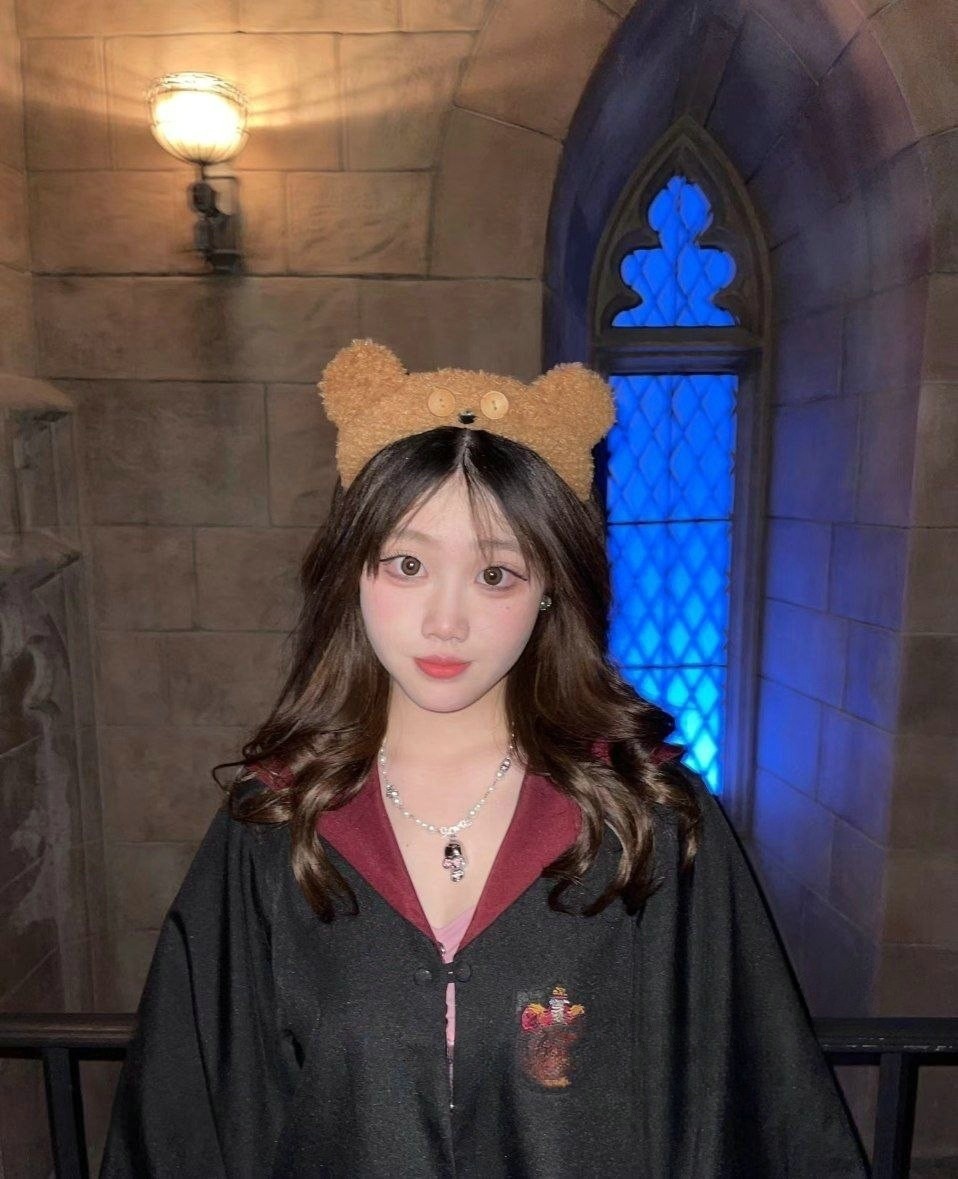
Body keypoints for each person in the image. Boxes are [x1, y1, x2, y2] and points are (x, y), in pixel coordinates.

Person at [101, 340, 867, 1178]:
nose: (446, 621)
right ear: (354, 572)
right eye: (407, 564)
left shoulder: (645, 819)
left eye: (496, 573)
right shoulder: (275, 824)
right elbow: (188, 1121)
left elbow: (752, 1107)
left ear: (550, 587)